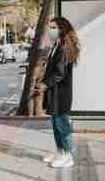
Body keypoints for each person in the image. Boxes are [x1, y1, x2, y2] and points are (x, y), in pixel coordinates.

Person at [36, 17, 80, 168]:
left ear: (61, 29)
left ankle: (68, 155)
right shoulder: (58, 45)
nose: (50, 30)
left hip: (61, 94)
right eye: (50, 27)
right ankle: (60, 151)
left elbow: (60, 73)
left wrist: (45, 84)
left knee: (62, 125)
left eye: (53, 27)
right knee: (55, 124)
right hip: (55, 92)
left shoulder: (65, 48)